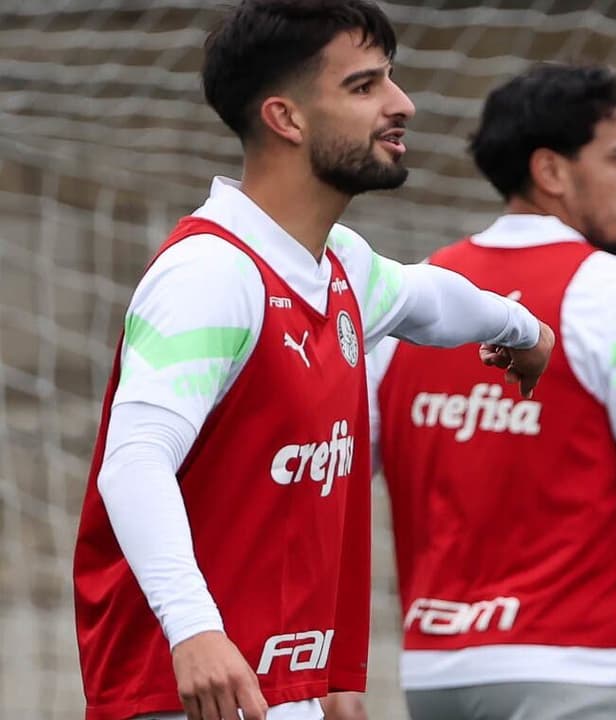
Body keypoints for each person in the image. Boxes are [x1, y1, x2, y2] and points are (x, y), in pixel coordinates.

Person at [72, 2, 554, 720]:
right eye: (365, 87)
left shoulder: (338, 268)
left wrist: (523, 327)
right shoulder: (211, 275)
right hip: (184, 691)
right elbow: (134, 460)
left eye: (390, 80)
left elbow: (428, 297)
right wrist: (194, 626)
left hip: (277, 689)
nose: (402, 105)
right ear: (286, 119)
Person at [364, 62, 616, 720]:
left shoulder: (412, 294)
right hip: (577, 669)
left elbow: (340, 487)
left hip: (435, 676)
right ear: (550, 171)